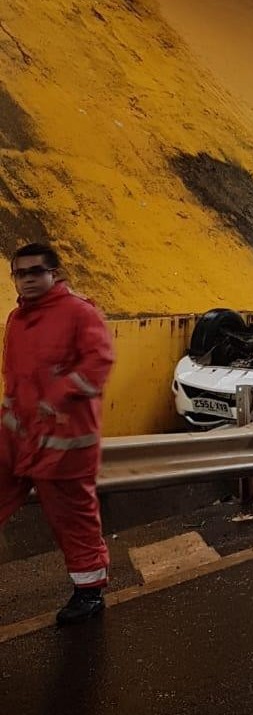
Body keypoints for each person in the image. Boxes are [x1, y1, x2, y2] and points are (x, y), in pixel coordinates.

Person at [1, 243, 115, 625]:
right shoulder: (17, 319)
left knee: (72, 519)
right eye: (21, 273)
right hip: (18, 438)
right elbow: (15, 378)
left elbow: (99, 361)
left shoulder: (80, 313)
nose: (29, 279)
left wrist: (57, 396)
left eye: (36, 271)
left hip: (65, 443)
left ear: (54, 273)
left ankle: (89, 592)